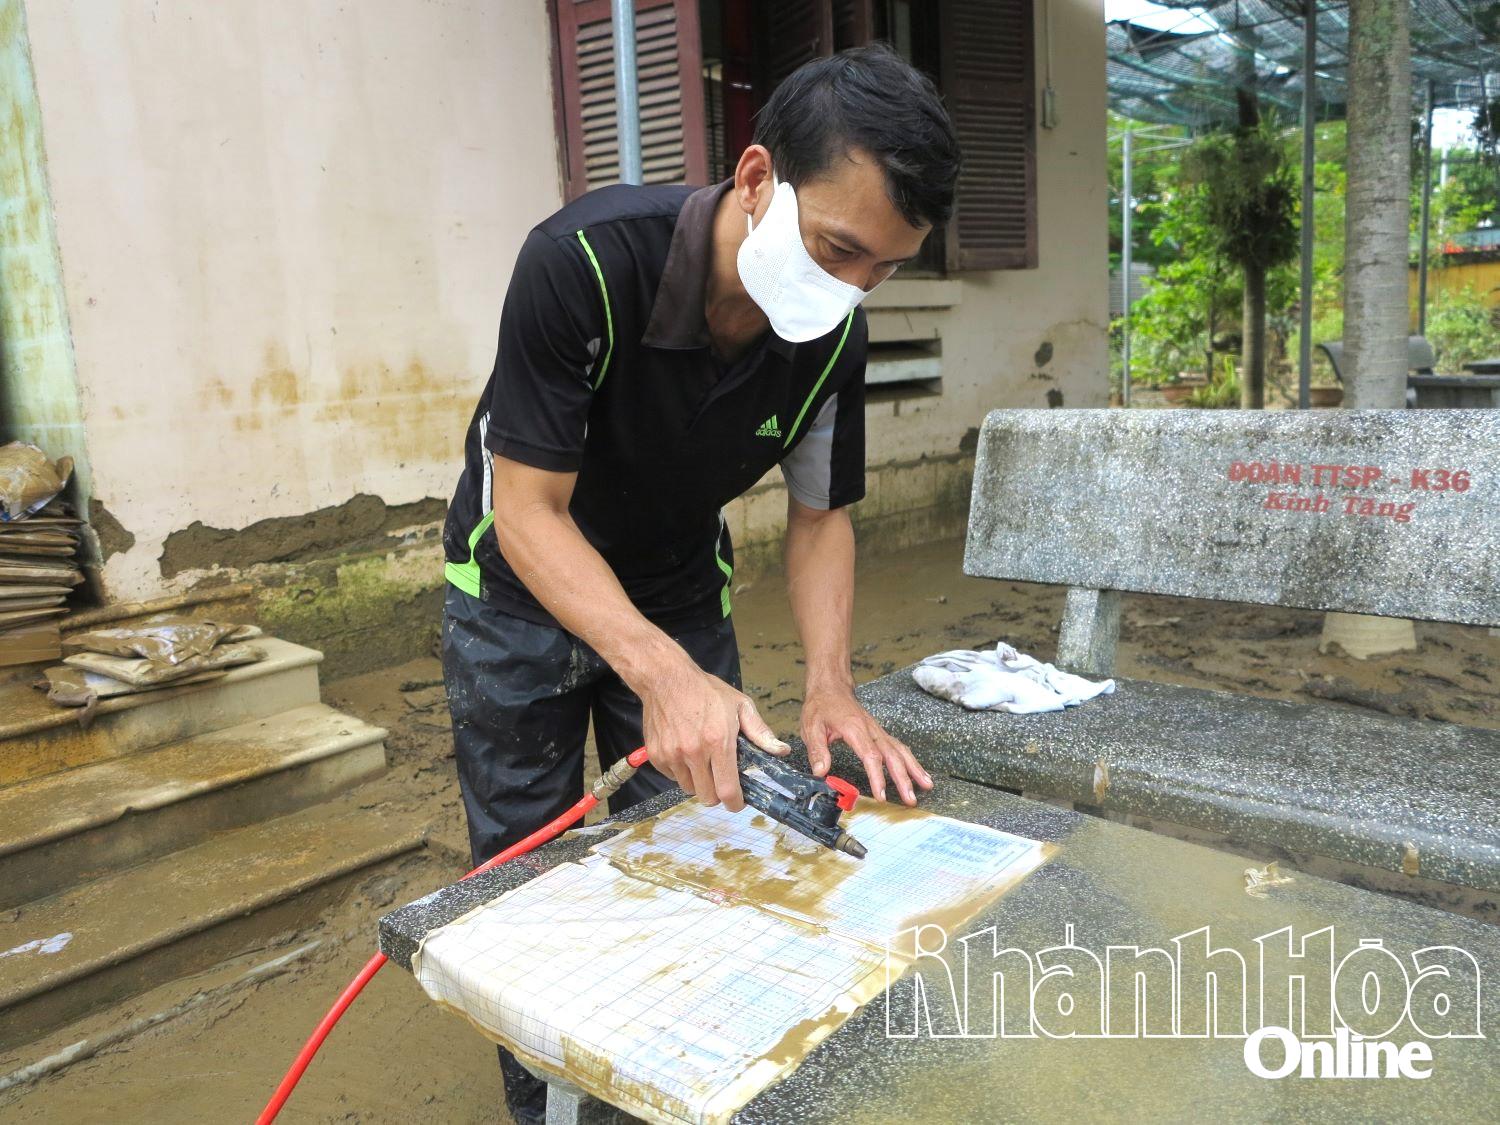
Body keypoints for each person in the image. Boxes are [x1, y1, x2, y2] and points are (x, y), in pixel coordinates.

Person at [440, 43, 960, 1123]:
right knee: (528, 876)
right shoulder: (582, 263)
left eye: (885, 269)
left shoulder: (830, 338)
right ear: (759, 178)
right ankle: (545, 1103)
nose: (852, 289)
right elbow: (527, 511)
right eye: (838, 249)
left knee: (703, 844)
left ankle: (666, 1083)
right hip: (515, 595)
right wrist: (663, 674)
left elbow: (820, 518)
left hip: (678, 585)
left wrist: (830, 684)